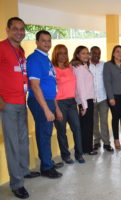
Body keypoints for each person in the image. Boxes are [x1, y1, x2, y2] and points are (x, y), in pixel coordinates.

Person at [0, 17, 40, 199]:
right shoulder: (1, 47)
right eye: (15, 28)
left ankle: (23, 170)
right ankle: (16, 183)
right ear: (8, 29)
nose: (19, 32)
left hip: (20, 101)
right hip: (7, 103)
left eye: (22, 29)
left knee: (23, 139)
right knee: (13, 144)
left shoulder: (21, 50)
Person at [27, 30, 63, 179]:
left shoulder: (45, 59)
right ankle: (46, 168)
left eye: (49, 40)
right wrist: (46, 109)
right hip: (40, 101)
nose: (47, 43)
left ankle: (47, 162)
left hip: (48, 100)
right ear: (36, 42)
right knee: (43, 133)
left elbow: (51, 85)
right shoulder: (35, 59)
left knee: (46, 133)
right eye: (43, 40)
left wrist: (55, 107)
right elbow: (35, 86)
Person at [52, 44, 85, 164]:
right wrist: (56, 109)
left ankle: (79, 153)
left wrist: (81, 103)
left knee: (77, 128)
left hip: (72, 102)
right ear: (56, 54)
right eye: (60, 53)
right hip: (59, 103)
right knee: (61, 131)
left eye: (65, 53)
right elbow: (52, 91)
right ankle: (65, 155)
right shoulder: (52, 69)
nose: (63, 55)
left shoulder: (71, 67)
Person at [71, 46, 96, 155]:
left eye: (87, 53)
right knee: (86, 126)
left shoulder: (83, 66)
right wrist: (84, 106)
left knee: (87, 125)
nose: (86, 55)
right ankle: (87, 149)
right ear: (77, 55)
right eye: (83, 53)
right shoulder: (79, 68)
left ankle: (86, 148)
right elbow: (80, 87)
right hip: (84, 101)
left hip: (87, 100)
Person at [89, 46, 114, 152]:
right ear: (90, 53)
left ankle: (107, 143)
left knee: (104, 121)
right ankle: (96, 141)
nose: (97, 55)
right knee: (94, 122)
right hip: (91, 99)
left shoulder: (104, 65)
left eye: (98, 53)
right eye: (94, 53)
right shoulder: (85, 65)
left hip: (103, 98)